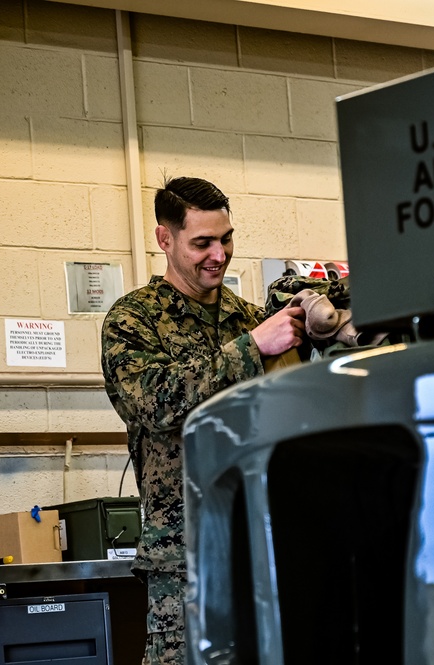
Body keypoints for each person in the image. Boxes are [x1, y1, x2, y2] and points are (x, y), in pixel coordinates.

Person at [100, 176, 306, 665]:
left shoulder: (248, 316)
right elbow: (152, 404)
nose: (219, 254)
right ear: (164, 239)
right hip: (184, 555)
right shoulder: (133, 320)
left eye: (227, 238)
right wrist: (253, 349)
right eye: (203, 243)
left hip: (262, 541)